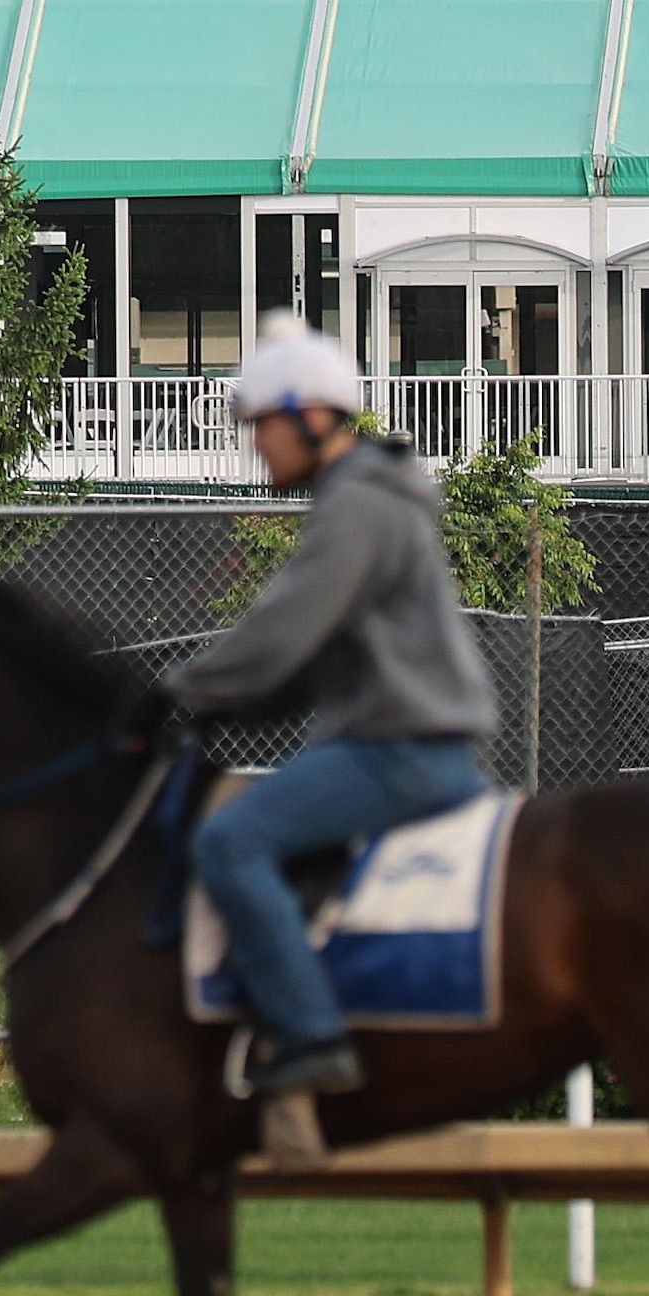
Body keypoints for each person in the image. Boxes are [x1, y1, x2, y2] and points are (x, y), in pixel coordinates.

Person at [163, 315, 500, 1150]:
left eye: (261, 428)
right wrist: (220, 710)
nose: (256, 448)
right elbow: (305, 670)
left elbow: (280, 633)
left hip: (404, 750)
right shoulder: (364, 498)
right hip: (405, 739)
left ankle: (311, 1038)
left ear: (313, 416)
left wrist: (176, 696)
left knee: (229, 844)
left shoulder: (357, 506)